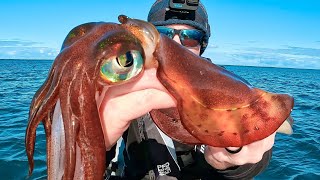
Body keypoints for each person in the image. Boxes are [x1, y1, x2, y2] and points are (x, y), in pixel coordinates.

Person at [97, 0, 276, 179]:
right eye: (163, 35)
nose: (176, 46)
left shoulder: (224, 88)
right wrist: (96, 143)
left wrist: (234, 157)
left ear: (201, 45)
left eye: (189, 37)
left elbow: (253, 160)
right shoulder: (123, 84)